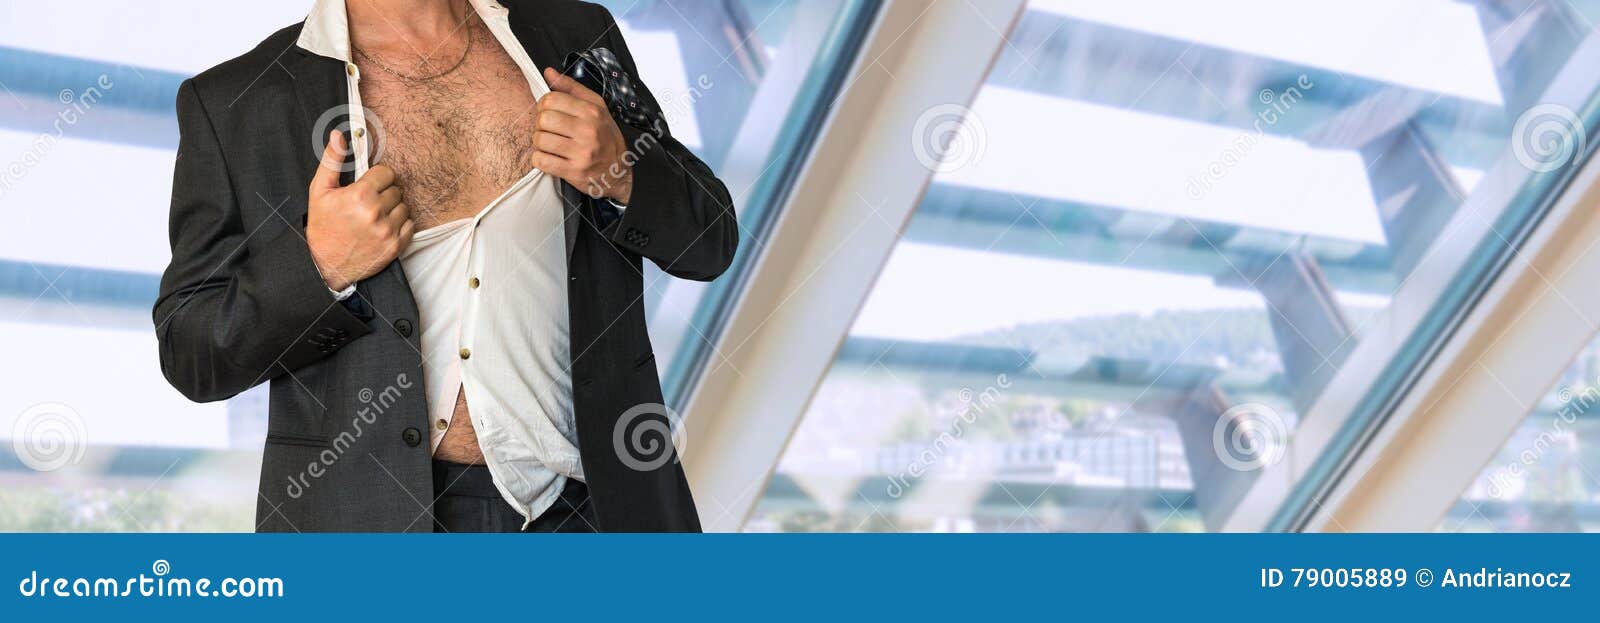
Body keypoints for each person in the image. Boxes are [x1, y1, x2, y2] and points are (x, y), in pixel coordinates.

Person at [152, 0, 735, 532]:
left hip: (596, 511)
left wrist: (622, 171)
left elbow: (710, 241)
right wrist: (320, 266)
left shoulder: (574, 34)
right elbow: (191, 353)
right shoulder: (238, 101)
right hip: (372, 524)